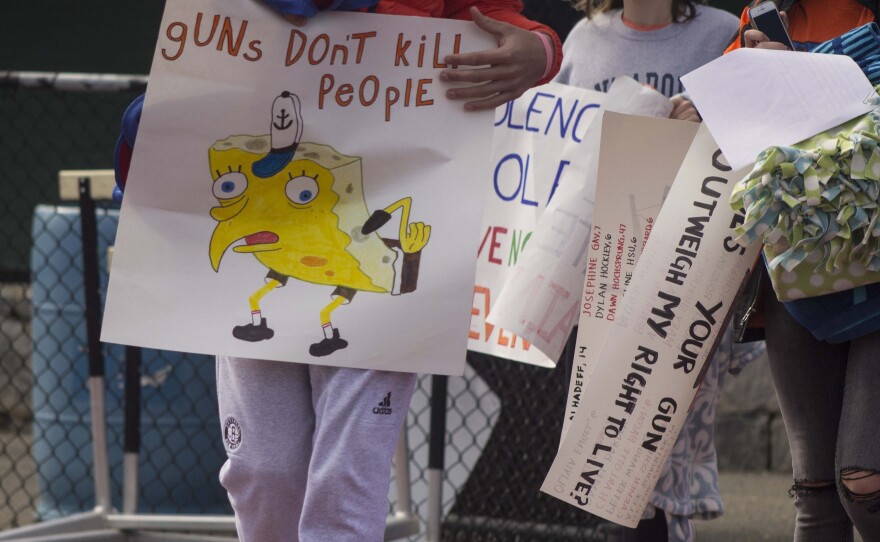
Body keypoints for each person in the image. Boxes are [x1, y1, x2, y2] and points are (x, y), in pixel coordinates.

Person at [113, 1, 561, 541]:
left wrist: (539, 49)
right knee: (262, 469)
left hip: (385, 224)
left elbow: (487, 14)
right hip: (267, 247)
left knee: (345, 483)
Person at [554, 2, 756, 541]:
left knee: (655, 468)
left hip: (691, 283)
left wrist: (701, 121)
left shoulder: (721, 35)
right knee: (613, 468)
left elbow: (756, 144)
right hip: (605, 285)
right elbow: (562, 158)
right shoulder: (583, 39)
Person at [728, 1, 880, 541]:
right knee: (815, 494)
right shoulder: (767, 12)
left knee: (866, 482)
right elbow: (727, 127)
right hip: (801, 268)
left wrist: (807, 71)